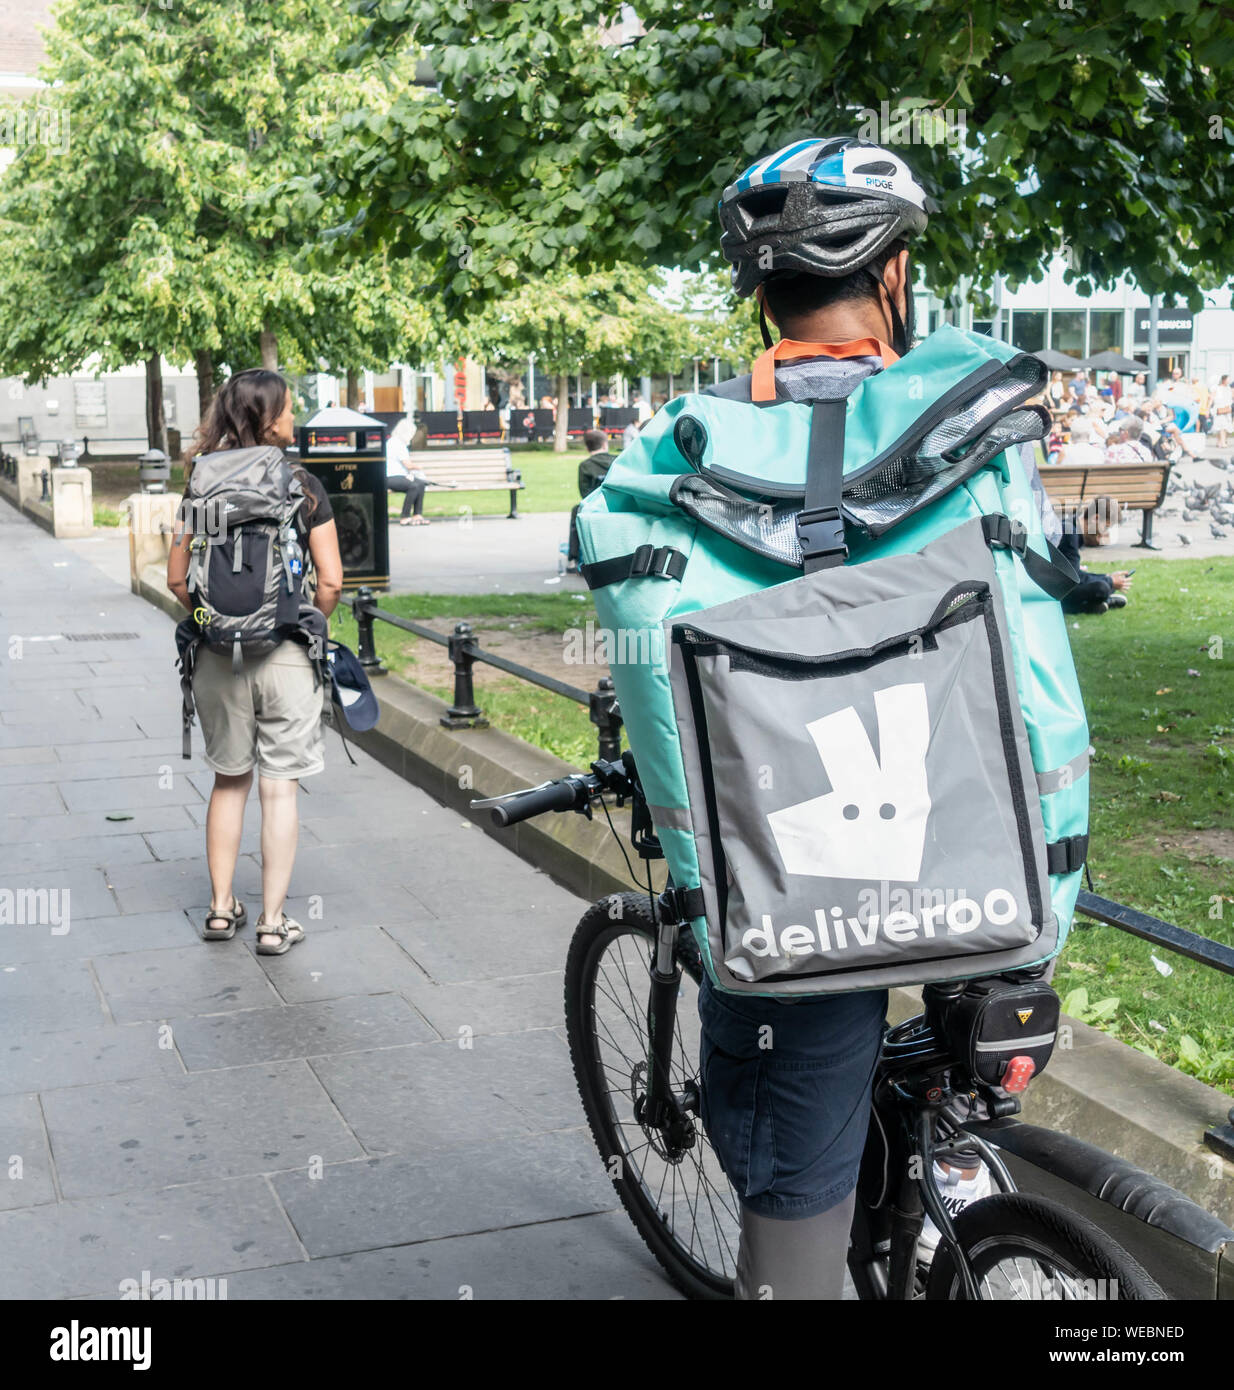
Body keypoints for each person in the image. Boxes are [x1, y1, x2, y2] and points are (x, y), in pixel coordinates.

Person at [704, 133, 1065, 1301]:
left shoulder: (680, 451)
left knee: (791, 1186)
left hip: (788, 905)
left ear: (760, 290)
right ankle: (962, 1180)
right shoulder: (974, 424)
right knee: (974, 1046)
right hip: (988, 863)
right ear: (893, 276)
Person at [167, 369, 343, 954]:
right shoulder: (303, 486)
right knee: (280, 787)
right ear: (268, 418)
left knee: (229, 781)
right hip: (287, 652)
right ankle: (272, 922)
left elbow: (175, 577)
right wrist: (307, 619)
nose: (295, 417)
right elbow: (334, 580)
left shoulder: (200, 486)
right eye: (289, 409)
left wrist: (210, 624)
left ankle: (220, 911)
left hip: (218, 656)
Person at [566, 428, 614, 571]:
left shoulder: (585, 466)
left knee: (576, 511)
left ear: (587, 447)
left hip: (595, 506)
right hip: (617, 504)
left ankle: (572, 559)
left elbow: (584, 493)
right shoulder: (617, 460)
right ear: (605, 444)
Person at [385, 419, 430, 526]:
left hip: (397, 476)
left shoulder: (392, 441)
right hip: (392, 477)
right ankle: (405, 516)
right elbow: (408, 465)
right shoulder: (398, 444)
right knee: (413, 486)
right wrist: (419, 467)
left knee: (421, 484)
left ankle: (417, 514)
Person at [1212, 374, 1232, 448]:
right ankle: (1223, 442)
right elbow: (1212, 398)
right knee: (1221, 426)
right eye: (1228, 379)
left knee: (1225, 426)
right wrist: (1208, 408)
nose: (1229, 381)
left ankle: (1219, 441)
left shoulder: (1229, 388)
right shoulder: (1217, 388)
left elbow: (1231, 398)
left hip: (1227, 409)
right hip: (1219, 409)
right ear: (1223, 380)